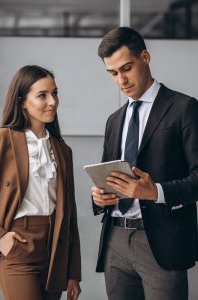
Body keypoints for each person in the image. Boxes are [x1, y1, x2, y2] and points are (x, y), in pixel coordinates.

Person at [91, 27, 198, 300]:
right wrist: (100, 196)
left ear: (146, 57)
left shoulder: (184, 108)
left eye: (126, 68)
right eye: (113, 73)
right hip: (115, 240)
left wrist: (156, 192)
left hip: (161, 243)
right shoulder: (114, 120)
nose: (121, 80)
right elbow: (109, 175)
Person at [0, 65, 81, 300]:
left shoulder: (62, 150)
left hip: (55, 253)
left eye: (54, 93)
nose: (52, 102)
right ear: (22, 101)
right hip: (18, 248)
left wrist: (73, 272)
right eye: (42, 95)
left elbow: (70, 216)